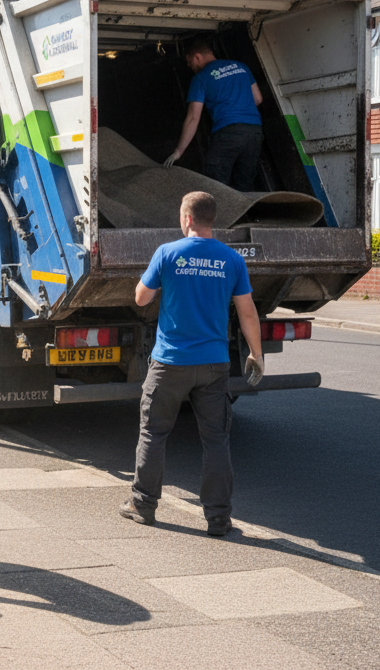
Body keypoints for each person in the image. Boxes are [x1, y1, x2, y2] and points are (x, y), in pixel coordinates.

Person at [120, 191, 264, 538]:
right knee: (216, 441)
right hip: (214, 364)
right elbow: (247, 312)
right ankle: (218, 520)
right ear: (213, 220)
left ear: (186, 219)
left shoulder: (167, 253)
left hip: (170, 362)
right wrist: (256, 355)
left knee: (154, 434)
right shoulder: (231, 260)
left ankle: (143, 505)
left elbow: (141, 298)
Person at [164, 38, 265, 191]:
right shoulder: (241, 67)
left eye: (189, 61)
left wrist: (179, 150)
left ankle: (221, 215)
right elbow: (258, 98)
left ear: (197, 56)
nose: (189, 66)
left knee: (215, 182)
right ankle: (246, 215)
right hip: (254, 131)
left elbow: (193, 117)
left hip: (228, 133)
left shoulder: (201, 78)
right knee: (245, 183)